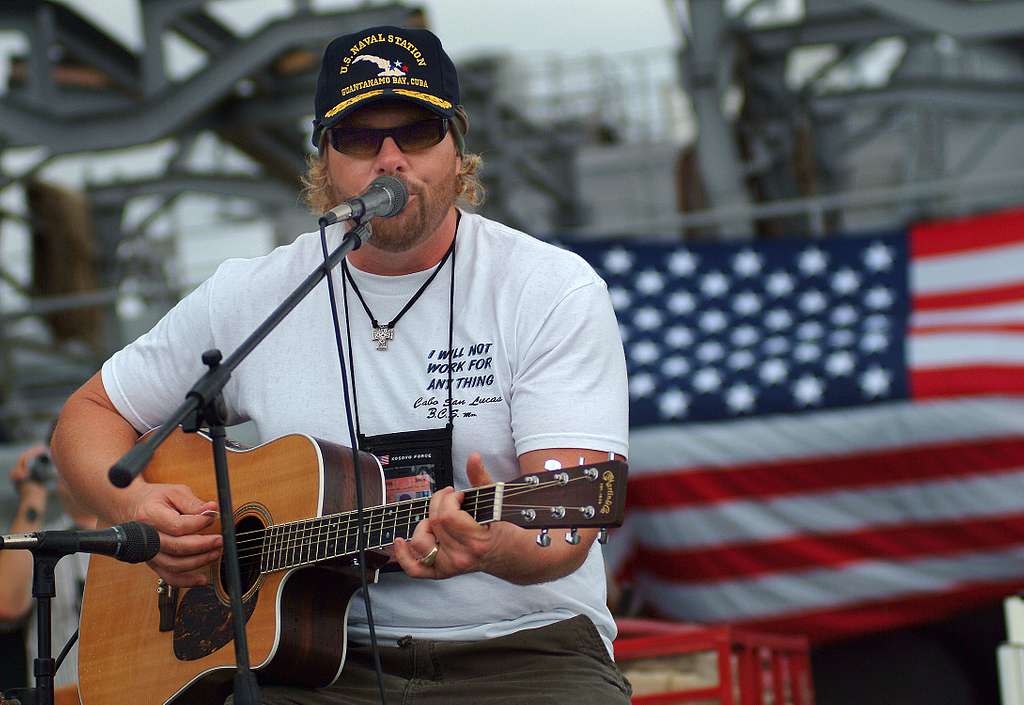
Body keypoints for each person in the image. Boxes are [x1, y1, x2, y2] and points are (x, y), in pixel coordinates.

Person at [52, 24, 631, 705]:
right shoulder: (253, 293)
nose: (389, 159)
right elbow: (88, 415)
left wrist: (494, 544)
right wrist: (135, 506)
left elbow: (565, 530)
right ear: (323, 159)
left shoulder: (548, 288)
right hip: (314, 661)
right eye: (358, 137)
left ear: (457, 147)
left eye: (415, 131)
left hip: (525, 649)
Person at [0, 434, 97, 693]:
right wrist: (33, 496)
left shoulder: (138, 537)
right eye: (64, 460)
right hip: (64, 695)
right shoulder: (44, 543)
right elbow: (6, 605)